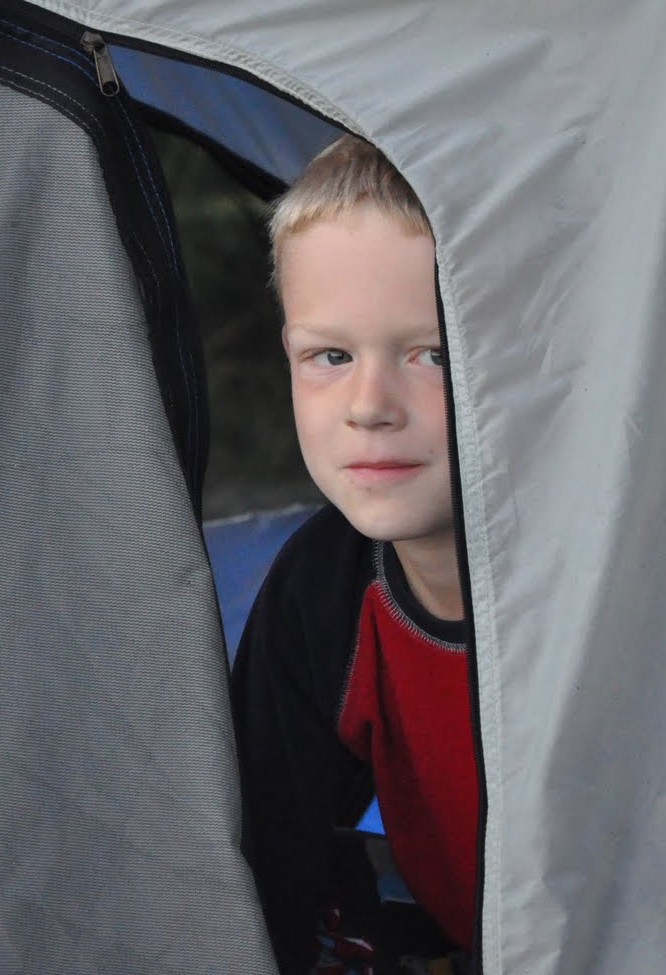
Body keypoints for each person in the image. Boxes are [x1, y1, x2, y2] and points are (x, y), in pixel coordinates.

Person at [230, 134, 477, 974]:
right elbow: (264, 857)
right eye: (330, 356)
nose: (370, 405)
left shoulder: (598, 575)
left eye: (433, 354)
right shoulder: (320, 591)